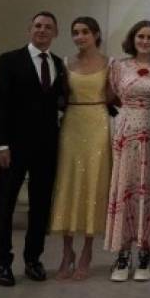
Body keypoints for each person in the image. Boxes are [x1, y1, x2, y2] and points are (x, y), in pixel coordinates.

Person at [0, 11, 67, 287]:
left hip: (47, 148)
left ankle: (33, 258)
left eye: (48, 27)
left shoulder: (58, 64)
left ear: (55, 33)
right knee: (6, 204)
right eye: (37, 26)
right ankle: (2, 262)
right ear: (29, 29)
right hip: (14, 147)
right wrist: (0, 144)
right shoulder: (10, 60)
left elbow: (62, 103)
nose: (42, 30)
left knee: (41, 206)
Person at [49, 17, 113, 281]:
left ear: (96, 34)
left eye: (85, 32)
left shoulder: (110, 63)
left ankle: (87, 250)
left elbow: (115, 96)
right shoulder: (64, 63)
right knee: (68, 184)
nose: (79, 37)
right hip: (72, 126)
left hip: (98, 125)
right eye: (75, 32)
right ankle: (67, 251)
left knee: (93, 184)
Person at [105, 20, 150, 282]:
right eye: (141, 36)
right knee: (125, 189)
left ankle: (144, 255)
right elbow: (111, 98)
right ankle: (122, 256)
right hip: (127, 132)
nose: (144, 41)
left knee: (148, 190)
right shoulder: (118, 66)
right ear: (133, 38)